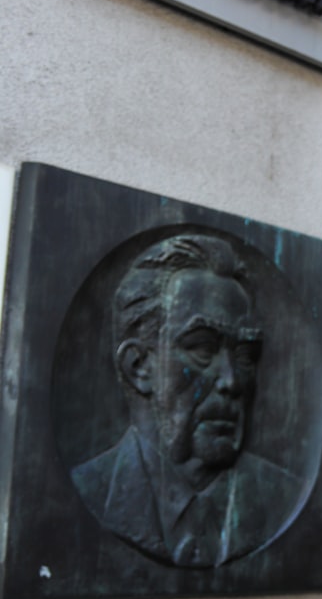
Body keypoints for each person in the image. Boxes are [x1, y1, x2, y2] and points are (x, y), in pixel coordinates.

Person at [71, 234, 300, 568]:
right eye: (202, 349)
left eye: (245, 354)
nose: (231, 381)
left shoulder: (285, 497)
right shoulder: (89, 492)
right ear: (139, 367)